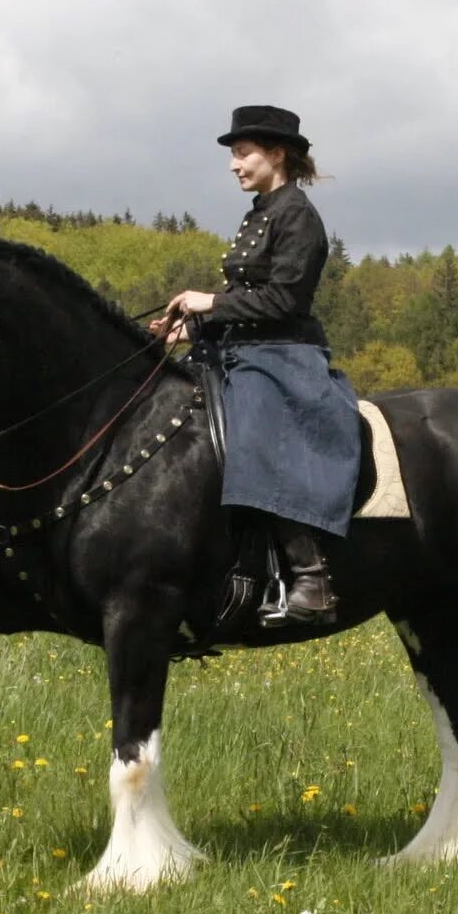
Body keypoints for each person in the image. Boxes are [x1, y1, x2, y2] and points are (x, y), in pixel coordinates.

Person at [152, 105, 361, 626]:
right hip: (240, 349)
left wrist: (210, 304)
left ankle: (309, 576)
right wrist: (189, 329)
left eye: (242, 154)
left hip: (283, 355)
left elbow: (283, 302)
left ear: (276, 153)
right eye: (233, 155)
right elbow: (246, 299)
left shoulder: (298, 216)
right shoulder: (261, 212)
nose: (234, 165)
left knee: (253, 429)